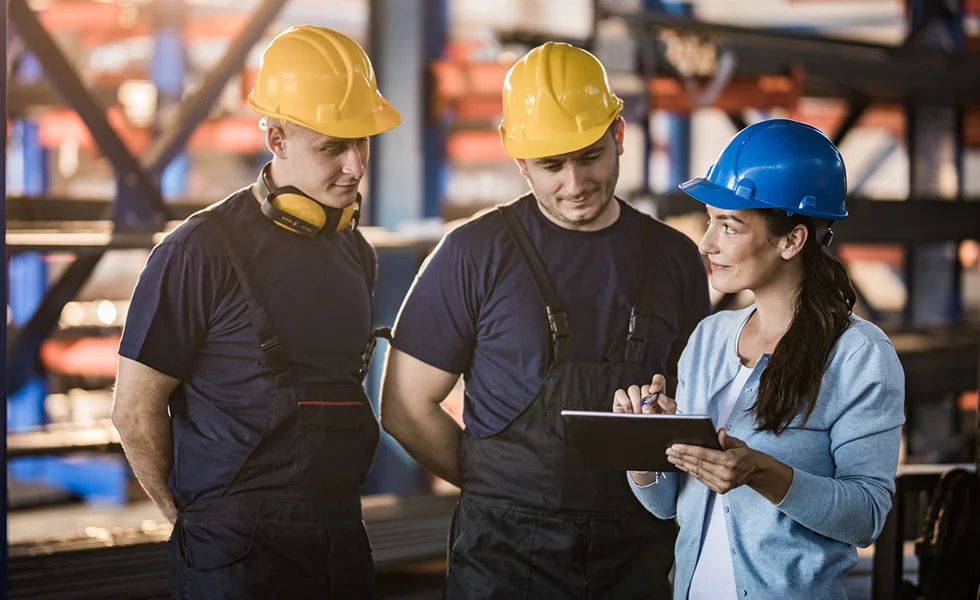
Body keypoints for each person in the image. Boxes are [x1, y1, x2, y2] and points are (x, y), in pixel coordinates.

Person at [380, 42, 710, 599]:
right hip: (503, 556)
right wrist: (497, 484)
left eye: (589, 157)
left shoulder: (675, 258)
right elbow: (405, 408)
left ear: (619, 136)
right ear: (518, 160)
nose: (575, 183)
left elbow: (697, 406)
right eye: (551, 166)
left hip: (635, 552)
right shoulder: (472, 253)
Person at [111, 26, 401, 599]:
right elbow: (133, 412)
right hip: (235, 555)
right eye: (332, 148)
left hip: (340, 535)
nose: (355, 166)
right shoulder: (200, 250)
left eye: (362, 142)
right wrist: (194, 523)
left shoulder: (355, 252)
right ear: (274, 137)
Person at [614, 119, 906, 600]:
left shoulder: (859, 356)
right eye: (709, 220)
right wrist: (644, 447)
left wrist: (763, 472)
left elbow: (866, 517)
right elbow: (667, 505)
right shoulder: (710, 338)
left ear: (791, 240)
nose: (707, 242)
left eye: (729, 225)